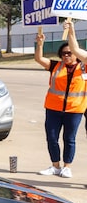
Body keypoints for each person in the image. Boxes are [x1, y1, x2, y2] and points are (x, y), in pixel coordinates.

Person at [34, 18, 87, 178]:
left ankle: (67, 166)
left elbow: (76, 48)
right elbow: (39, 59)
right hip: (53, 109)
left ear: (76, 55)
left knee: (69, 139)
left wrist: (71, 31)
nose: (66, 56)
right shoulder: (56, 66)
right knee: (51, 138)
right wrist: (40, 44)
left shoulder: (84, 66)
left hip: (74, 110)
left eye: (69, 53)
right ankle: (55, 166)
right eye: (64, 53)